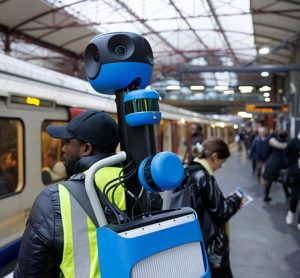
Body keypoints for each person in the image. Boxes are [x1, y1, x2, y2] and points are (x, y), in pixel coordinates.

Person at [14, 110, 125, 277]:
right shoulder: (138, 186)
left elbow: (29, 274)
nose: (63, 149)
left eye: (67, 143)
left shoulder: (54, 200)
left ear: (86, 148)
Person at [188, 138, 243, 278]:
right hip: (211, 244)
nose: (221, 166)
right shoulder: (204, 177)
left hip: (195, 239)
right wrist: (236, 199)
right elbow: (222, 212)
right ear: (214, 157)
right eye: (221, 161)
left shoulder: (189, 170)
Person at [263, 131, 289, 202]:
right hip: (281, 165)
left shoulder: (273, 142)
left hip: (271, 163)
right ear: (286, 137)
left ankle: (266, 196)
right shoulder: (287, 144)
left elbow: (267, 151)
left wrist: (266, 160)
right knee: (284, 181)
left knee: (269, 181)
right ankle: (287, 194)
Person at [284, 131, 300, 230]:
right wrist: (290, 167)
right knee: (294, 197)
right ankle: (291, 212)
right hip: (295, 174)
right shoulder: (293, 142)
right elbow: (286, 155)